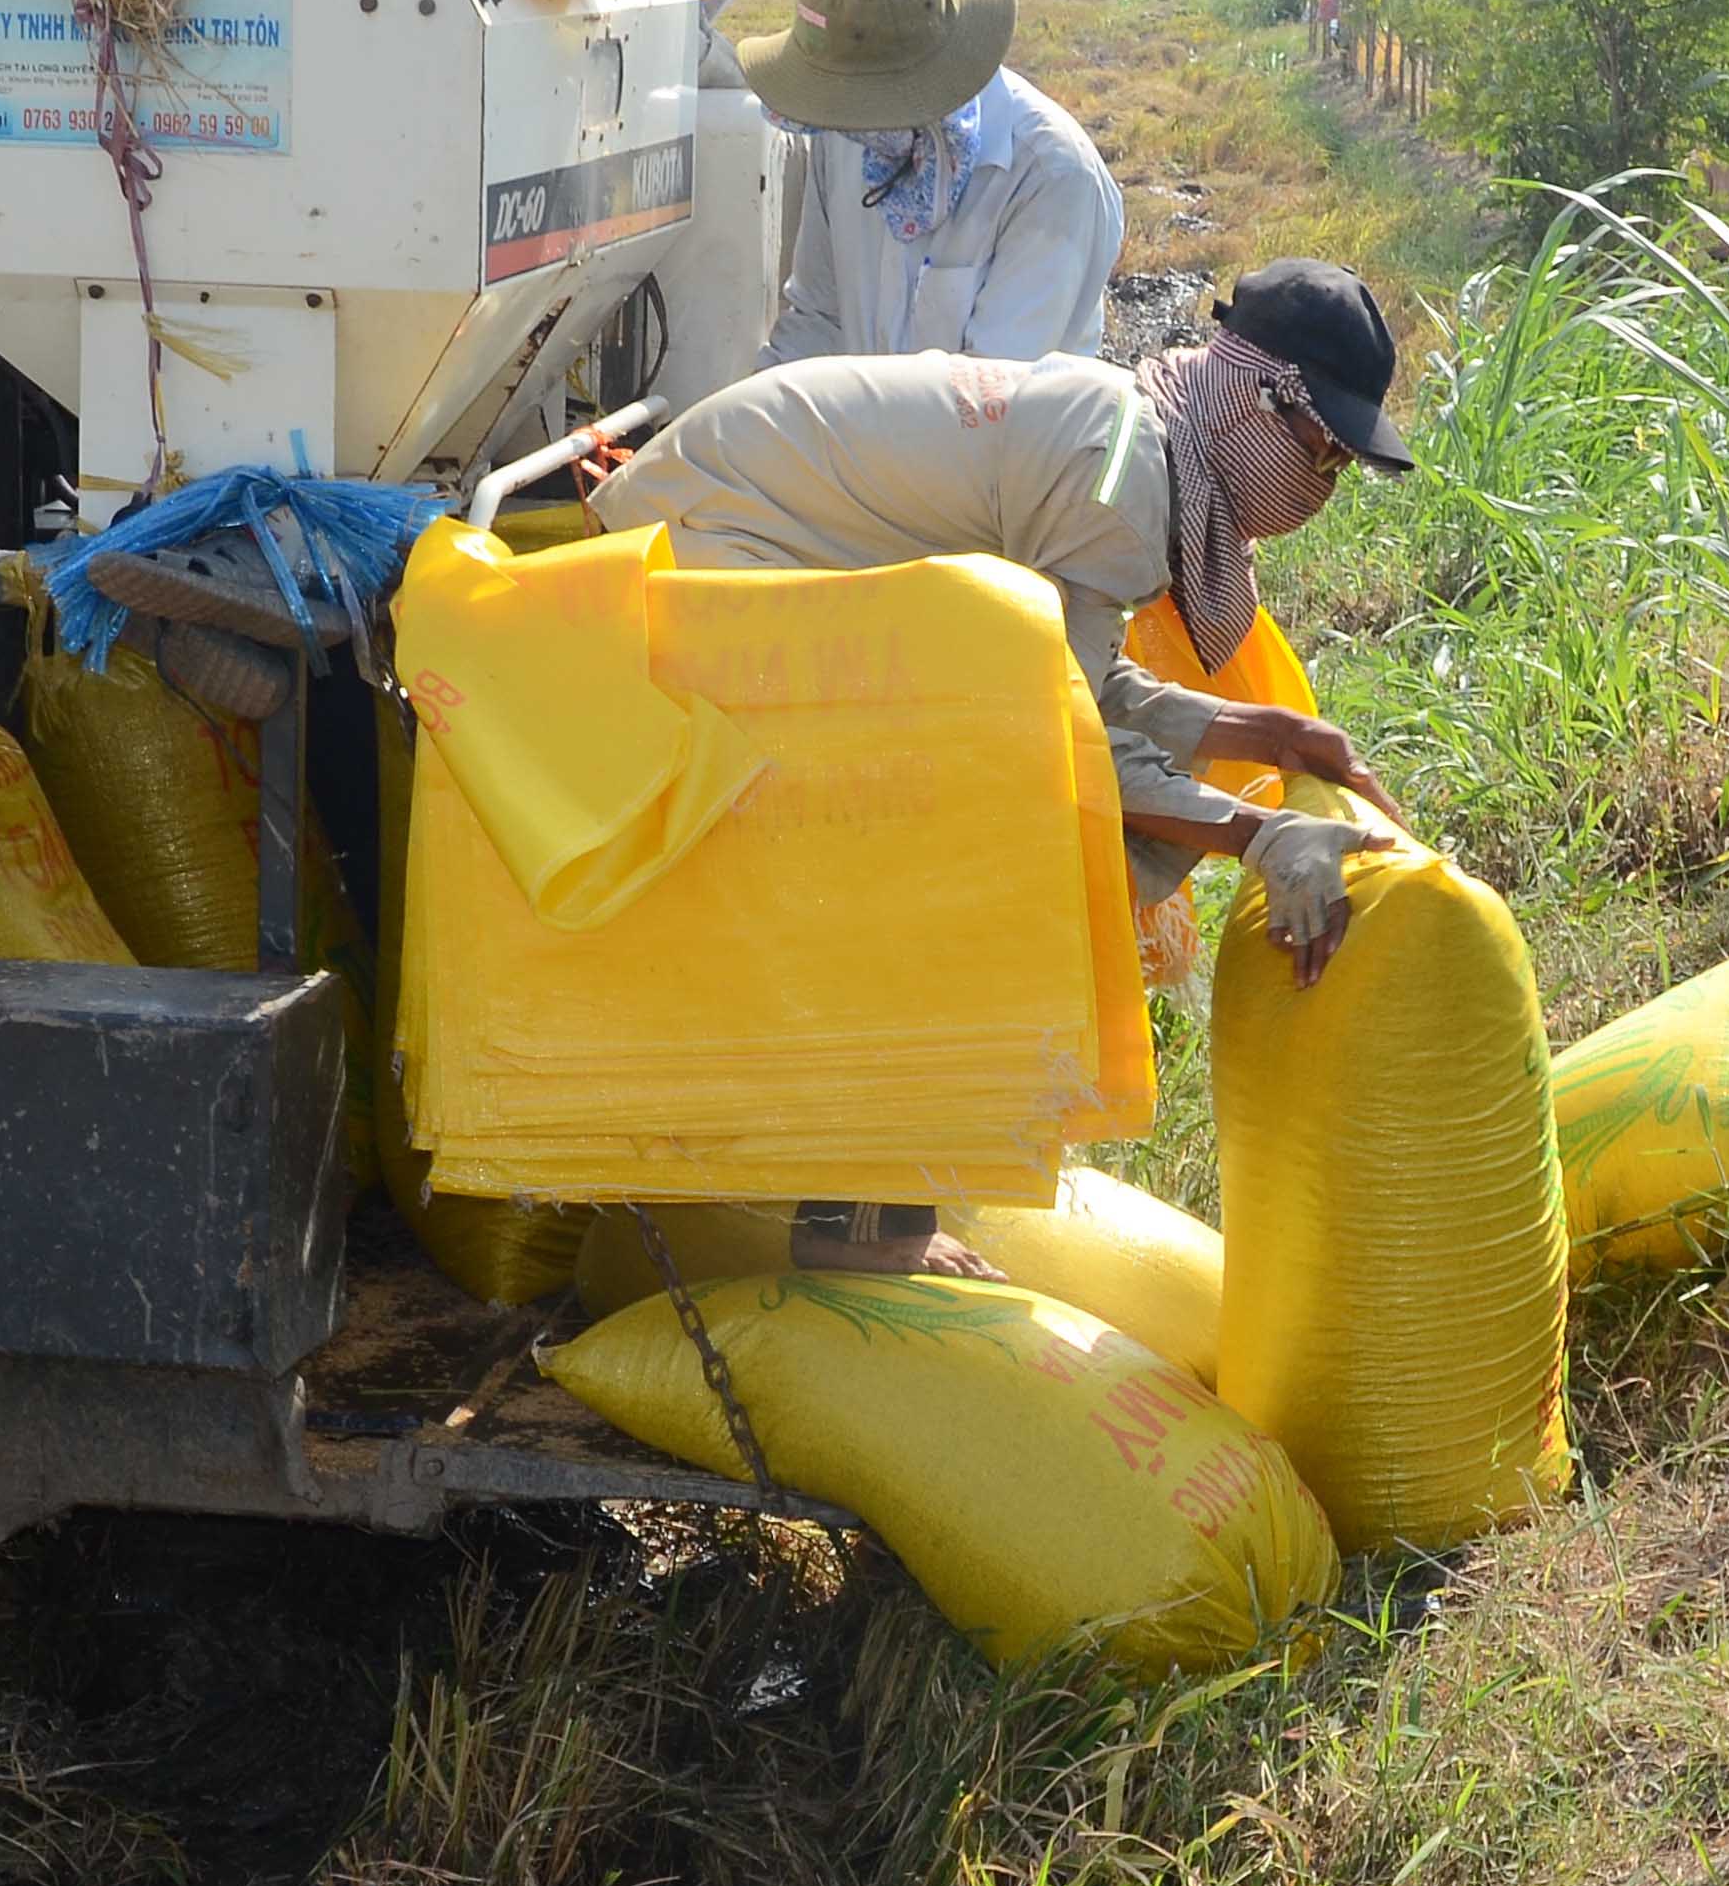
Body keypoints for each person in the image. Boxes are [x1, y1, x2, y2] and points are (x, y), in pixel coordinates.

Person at [592, 260, 1410, 1274]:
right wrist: (1256, 834)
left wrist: (1270, 738)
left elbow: (1074, 687)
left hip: (726, 537)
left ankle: (865, 1189)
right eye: (1319, 449)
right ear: (1254, 398)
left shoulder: (1132, 438)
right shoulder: (1124, 477)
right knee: (947, 848)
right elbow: (1062, 742)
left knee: (981, 813)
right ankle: (859, 1225)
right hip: (710, 552)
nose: (1319, 487)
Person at [743, 0, 1126, 368]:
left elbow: (988, 401)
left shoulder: (1049, 177)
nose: (842, 125)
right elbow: (820, 319)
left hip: (1003, 433)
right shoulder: (843, 138)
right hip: (864, 428)